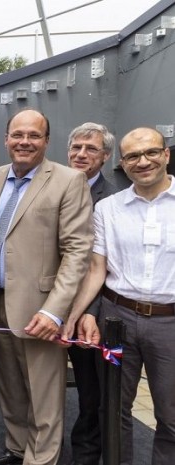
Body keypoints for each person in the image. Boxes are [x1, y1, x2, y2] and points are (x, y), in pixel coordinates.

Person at [0, 109, 93, 465]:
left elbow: (77, 252)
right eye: (17, 135)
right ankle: (17, 449)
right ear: (6, 140)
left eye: (33, 135)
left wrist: (54, 311)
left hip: (41, 308)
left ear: (46, 141)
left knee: (44, 394)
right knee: (10, 387)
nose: (24, 142)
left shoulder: (68, 180)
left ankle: (41, 459)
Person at [70, 127, 175, 465]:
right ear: (122, 163)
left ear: (166, 155)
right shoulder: (109, 208)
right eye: (132, 156)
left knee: (171, 416)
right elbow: (96, 270)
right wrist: (70, 318)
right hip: (117, 322)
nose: (142, 162)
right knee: (113, 409)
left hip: (169, 325)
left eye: (151, 153)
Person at [63, 122, 119, 465]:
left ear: (106, 156)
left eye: (91, 149)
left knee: (91, 391)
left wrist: (87, 312)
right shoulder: (56, 187)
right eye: (77, 147)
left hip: (90, 315)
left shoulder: (112, 200)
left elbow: (107, 267)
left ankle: (86, 454)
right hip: (51, 307)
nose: (82, 154)